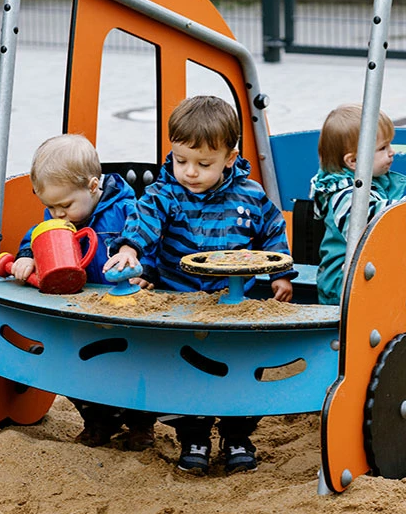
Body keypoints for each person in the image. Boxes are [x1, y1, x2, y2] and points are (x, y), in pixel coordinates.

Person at [105, 95, 298, 475]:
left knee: (242, 368)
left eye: (203, 163)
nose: (190, 172)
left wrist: (280, 275)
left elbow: (273, 231)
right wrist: (131, 248)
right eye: (181, 160)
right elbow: (145, 220)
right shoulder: (166, 194)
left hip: (234, 305)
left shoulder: (251, 197)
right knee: (186, 371)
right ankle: (193, 437)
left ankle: (237, 435)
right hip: (182, 302)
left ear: (230, 157)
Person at [12, 133, 156, 451]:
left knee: (133, 367)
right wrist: (27, 255)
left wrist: (147, 273)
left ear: (93, 187)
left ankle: (141, 425)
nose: (57, 214)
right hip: (80, 311)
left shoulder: (127, 211)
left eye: (64, 205)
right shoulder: (60, 218)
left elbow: (149, 241)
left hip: (123, 310)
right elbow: (36, 235)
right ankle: (97, 422)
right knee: (76, 365)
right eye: (49, 206)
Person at [311, 103, 406, 305]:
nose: (392, 152)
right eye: (383, 148)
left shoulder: (368, 184)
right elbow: (377, 222)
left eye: (389, 145)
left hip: (359, 276)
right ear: (353, 161)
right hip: (342, 283)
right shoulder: (347, 195)